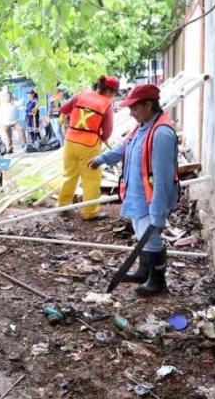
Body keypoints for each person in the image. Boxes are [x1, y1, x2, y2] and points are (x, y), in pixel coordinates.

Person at [89, 84, 178, 296]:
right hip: (138, 194)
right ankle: (144, 270)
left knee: (152, 237)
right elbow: (125, 146)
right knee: (141, 234)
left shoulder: (162, 133)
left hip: (151, 198)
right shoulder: (142, 125)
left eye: (135, 108)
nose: (131, 112)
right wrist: (102, 159)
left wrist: (158, 212)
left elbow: (163, 178)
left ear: (149, 105)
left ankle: (157, 281)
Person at [57, 75, 119, 220]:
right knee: (91, 179)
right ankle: (90, 212)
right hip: (89, 144)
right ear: (110, 91)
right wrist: (102, 139)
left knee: (69, 175)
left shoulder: (81, 94)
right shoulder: (107, 103)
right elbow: (108, 130)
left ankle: (63, 206)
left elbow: (64, 109)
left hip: (70, 141)